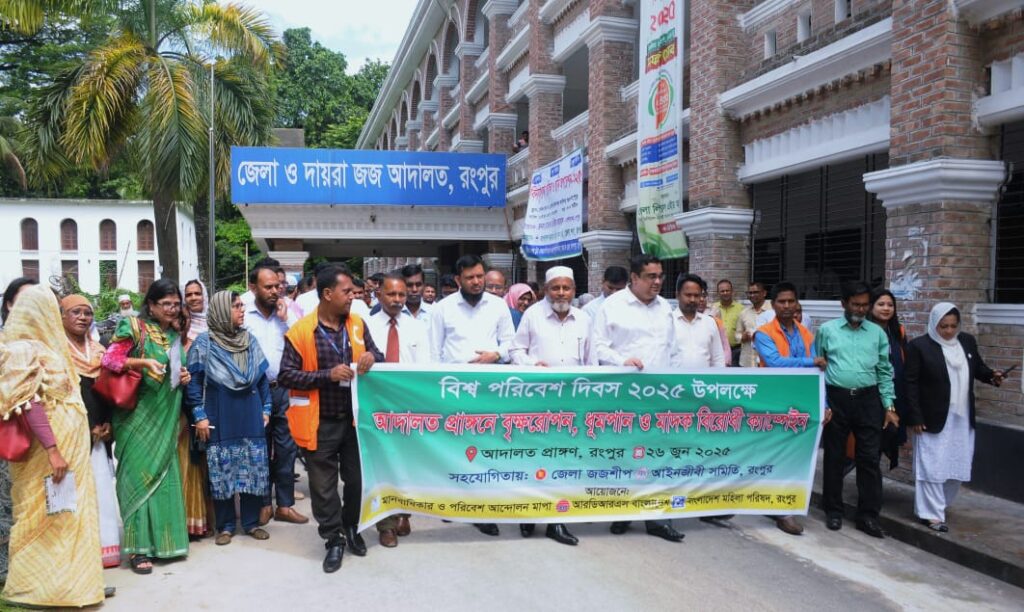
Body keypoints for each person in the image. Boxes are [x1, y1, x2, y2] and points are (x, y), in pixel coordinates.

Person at [0, 285, 105, 606]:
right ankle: (32, 588)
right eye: (53, 308)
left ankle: (69, 584)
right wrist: (52, 450)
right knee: (44, 513)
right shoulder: (21, 350)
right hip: (47, 453)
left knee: (67, 514)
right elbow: (27, 402)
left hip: (70, 449)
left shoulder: (49, 347)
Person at [278, 265, 383, 573]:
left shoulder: (358, 324)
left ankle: (352, 527)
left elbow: (378, 355)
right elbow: (286, 375)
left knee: (357, 481)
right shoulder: (301, 331)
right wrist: (327, 375)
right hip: (320, 422)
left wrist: (372, 357)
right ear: (327, 294)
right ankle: (333, 539)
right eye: (347, 291)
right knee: (323, 488)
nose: (353, 296)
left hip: (355, 421)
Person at [101, 279, 192, 573]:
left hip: (166, 415)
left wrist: (184, 375)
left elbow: (173, 372)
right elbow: (110, 360)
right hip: (136, 417)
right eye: (165, 304)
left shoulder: (174, 335)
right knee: (137, 478)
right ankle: (138, 550)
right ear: (151, 305)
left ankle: (166, 544)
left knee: (164, 477)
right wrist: (143, 363)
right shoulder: (133, 327)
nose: (172, 309)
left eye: (176, 304)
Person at [592, 254, 683, 543]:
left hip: (660, 398)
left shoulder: (665, 308)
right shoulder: (612, 306)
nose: (657, 282)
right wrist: (622, 361)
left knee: (657, 456)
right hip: (624, 398)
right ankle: (622, 512)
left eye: (660, 276)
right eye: (650, 276)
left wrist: (677, 386)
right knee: (625, 456)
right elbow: (598, 347)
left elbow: (673, 350)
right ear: (634, 278)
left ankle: (657, 518)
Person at [430, 254, 515, 537]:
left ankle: (481, 509)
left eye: (480, 276)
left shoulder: (498, 306)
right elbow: (433, 352)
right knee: (453, 447)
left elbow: (510, 343)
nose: (477, 282)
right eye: (470, 278)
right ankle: (451, 502)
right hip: (453, 391)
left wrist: (496, 354)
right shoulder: (442, 309)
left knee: (483, 448)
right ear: (458, 280)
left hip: (489, 390)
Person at [905, 303, 1004, 533]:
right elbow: (910, 384)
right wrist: (915, 416)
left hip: (961, 415)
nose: (949, 331)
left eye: (953, 326)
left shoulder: (966, 341)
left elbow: (977, 367)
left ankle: (942, 505)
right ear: (934, 324)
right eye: (943, 326)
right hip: (931, 417)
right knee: (932, 465)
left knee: (956, 461)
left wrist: (992, 376)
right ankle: (931, 514)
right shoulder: (919, 347)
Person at [510, 266, 590, 546]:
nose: (561, 293)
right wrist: (533, 364)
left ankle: (556, 520)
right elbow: (516, 350)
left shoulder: (584, 319)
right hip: (537, 401)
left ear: (574, 290)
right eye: (556, 288)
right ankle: (528, 514)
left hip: (572, 404)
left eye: (566, 288)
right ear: (546, 290)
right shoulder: (532, 315)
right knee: (534, 458)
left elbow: (592, 360)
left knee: (562, 460)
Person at [188, 291, 274, 545]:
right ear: (222, 311)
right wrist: (199, 415)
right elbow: (194, 383)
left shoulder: (249, 340)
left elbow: (261, 380)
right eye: (236, 306)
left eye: (241, 306)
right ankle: (225, 526)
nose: (241, 310)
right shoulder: (204, 344)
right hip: (219, 413)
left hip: (250, 412)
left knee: (254, 468)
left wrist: (266, 408)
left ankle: (250, 523)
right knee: (221, 469)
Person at [815, 281, 897, 538]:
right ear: (844, 304)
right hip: (837, 399)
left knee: (869, 459)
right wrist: (823, 403)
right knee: (835, 457)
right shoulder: (827, 330)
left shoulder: (877, 334)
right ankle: (833, 511)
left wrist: (889, 405)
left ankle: (868, 516)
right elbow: (818, 369)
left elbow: (884, 370)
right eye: (855, 304)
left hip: (868, 400)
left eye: (864, 305)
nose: (861, 309)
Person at [753, 281, 828, 536]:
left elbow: (819, 372)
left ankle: (783, 506)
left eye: (791, 301)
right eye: (781, 302)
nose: (787, 306)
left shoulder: (807, 334)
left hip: (801, 403)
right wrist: (810, 361)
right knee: (774, 453)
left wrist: (825, 404)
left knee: (795, 454)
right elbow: (774, 363)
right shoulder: (763, 333)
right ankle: (778, 508)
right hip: (773, 402)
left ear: (797, 303)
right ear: (773, 305)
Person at [366, 274, 431, 547]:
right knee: (383, 465)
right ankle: (386, 525)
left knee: (407, 465)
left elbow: (425, 369)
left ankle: (404, 513)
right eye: (391, 294)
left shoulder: (417, 328)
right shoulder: (365, 325)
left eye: (401, 295)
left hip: (408, 407)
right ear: (379, 294)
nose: (397, 300)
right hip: (377, 406)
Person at [244, 265, 308, 527]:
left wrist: (286, 319)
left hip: (284, 388)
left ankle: (284, 505)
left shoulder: (287, 313)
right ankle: (263, 504)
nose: (275, 291)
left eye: (277, 286)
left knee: (286, 448)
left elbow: (304, 342)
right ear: (253, 288)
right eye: (268, 287)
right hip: (254, 391)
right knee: (259, 447)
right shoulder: (243, 314)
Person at [61, 294, 122, 567]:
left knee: (101, 493)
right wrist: (86, 429)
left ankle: (104, 551)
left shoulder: (100, 350)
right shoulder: (56, 351)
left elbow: (106, 392)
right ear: (62, 316)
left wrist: (107, 424)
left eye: (87, 313)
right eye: (76, 312)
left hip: (100, 435)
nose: (83, 317)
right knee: (72, 496)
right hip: (70, 437)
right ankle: (77, 557)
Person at [0, 276, 36, 584]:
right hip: (9, 431)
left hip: (41, 436)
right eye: (22, 300)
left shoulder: (46, 341)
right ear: (9, 305)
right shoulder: (4, 343)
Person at [868, 288, 909, 469]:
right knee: (870, 442)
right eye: (881, 304)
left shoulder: (898, 331)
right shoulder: (864, 331)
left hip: (895, 391)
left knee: (889, 434)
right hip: (871, 392)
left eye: (890, 305)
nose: (886, 308)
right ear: (871, 307)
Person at [671, 274, 726, 369]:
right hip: (674, 378)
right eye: (688, 295)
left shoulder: (710, 323)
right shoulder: (667, 322)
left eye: (696, 295)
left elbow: (718, 358)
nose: (692, 299)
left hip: (704, 378)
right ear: (677, 295)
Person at [735, 282, 771, 367]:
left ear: (764, 293)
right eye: (750, 293)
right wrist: (742, 337)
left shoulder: (772, 310)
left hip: (768, 360)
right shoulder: (744, 313)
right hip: (747, 360)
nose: (752, 295)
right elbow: (737, 334)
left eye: (756, 292)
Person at [709, 280, 743, 366]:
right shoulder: (713, 308)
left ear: (732, 291)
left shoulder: (741, 309)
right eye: (722, 291)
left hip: (736, 351)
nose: (725, 293)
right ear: (718, 293)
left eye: (727, 290)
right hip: (718, 350)